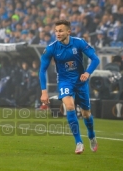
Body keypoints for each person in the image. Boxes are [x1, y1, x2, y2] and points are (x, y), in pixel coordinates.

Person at [39, 20, 100, 154]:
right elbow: (42, 70)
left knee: (86, 114)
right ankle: (78, 142)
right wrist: (44, 92)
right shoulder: (51, 48)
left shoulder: (79, 43)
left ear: (68, 31)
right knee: (70, 107)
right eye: (56, 31)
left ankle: (91, 136)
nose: (57, 33)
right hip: (65, 81)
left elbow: (96, 59)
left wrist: (87, 73)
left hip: (81, 82)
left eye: (60, 31)